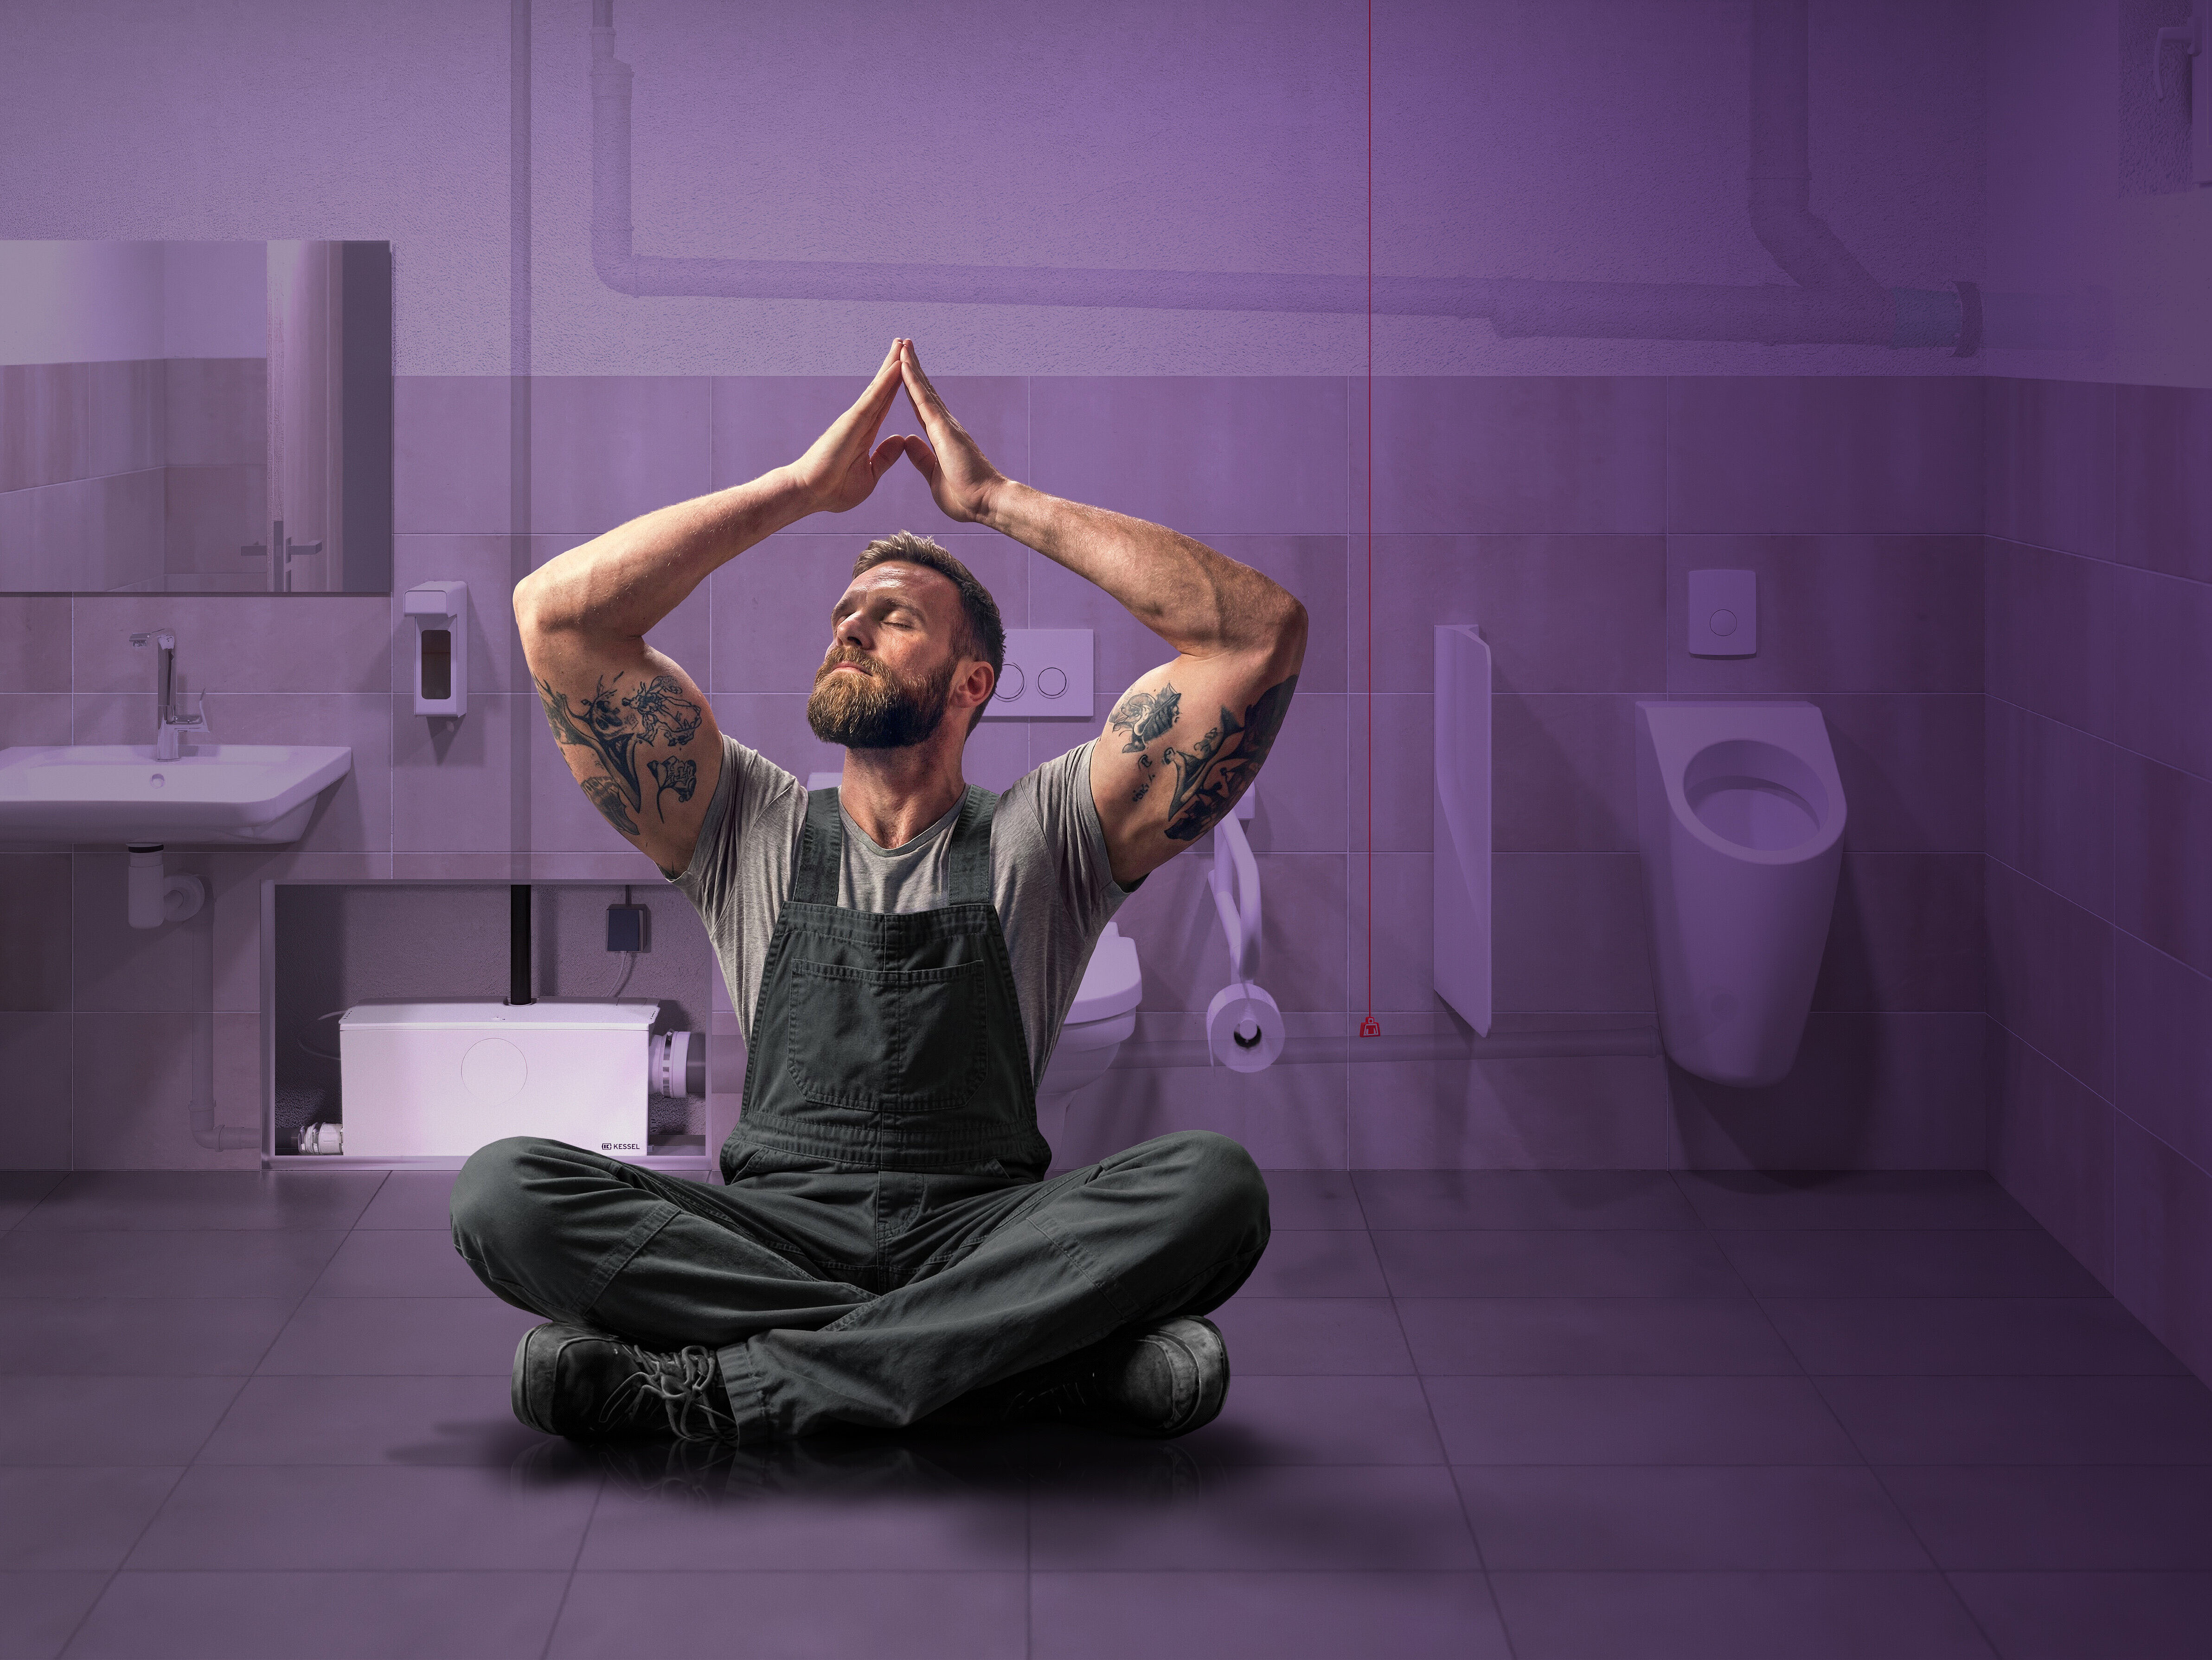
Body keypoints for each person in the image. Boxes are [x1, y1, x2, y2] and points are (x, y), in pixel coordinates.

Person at [450, 339, 1307, 1445]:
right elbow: (555, 617)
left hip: (985, 1227)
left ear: (972, 682)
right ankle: (1038, 1368)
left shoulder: (1051, 832)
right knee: (501, 1194)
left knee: (1216, 1188)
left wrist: (994, 500)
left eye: (892, 615)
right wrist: (796, 493)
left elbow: (1257, 632)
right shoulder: (740, 823)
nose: (847, 624)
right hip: (768, 1232)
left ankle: (726, 1389)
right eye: (845, 611)